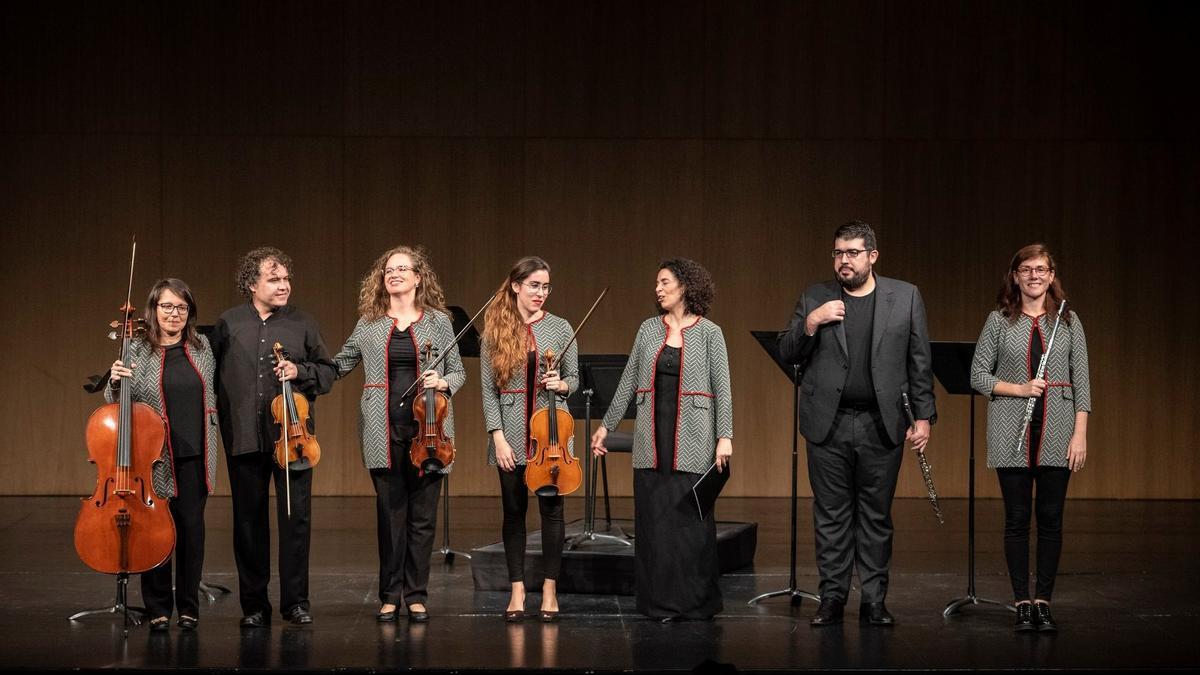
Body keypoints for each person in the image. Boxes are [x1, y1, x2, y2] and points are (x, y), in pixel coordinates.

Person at [779, 220, 936, 627]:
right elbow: (787, 352)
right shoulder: (816, 296)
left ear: (872, 256)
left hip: (880, 423)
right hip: (827, 424)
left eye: (851, 253)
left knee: (876, 515)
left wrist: (923, 416)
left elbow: (919, 361)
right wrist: (811, 322)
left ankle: (873, 600)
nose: (843, 261)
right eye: (838, 253)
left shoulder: (905, 297)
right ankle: (831, 598)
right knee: (830, 515)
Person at [591, 258, 733, 621]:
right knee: (655, 527)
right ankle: (659, 603)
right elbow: (627, 382)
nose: (658, 288)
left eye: (665, 282)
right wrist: (606, 426)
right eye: (656, 283)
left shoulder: (710, 333)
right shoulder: (648, 330)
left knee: (690, 527)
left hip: (695, 441)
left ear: (685, 286)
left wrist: (724, 437)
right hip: (652, 442)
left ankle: (695, 603)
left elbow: (723, 389)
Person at [332, 245, 465, 623]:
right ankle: (390, 594)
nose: (394, 274)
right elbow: (342, 362)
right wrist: (308, 373)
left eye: (403, 269)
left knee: (422, 518)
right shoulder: (369, 322)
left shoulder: (439, 321)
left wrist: (443, 380)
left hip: (430, 431)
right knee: (391, 517)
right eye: (389, 270)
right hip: (382, 428)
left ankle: (417, 594)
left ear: (418, 277)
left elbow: (458, 371)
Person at [210, 247, 337, 627]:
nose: (284, 286)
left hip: (293, 437)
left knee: (295, 521)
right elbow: (210, 375)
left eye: (286, 279)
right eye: (274, 279)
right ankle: (254, 606)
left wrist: (300, 371)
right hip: (245, 436)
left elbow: (328, 372)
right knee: (248, 522)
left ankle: (296, 603)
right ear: (252, 284)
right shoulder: (228, 324)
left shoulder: (302, 323)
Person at [969, 244, 1091, 633]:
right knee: (1018, 519)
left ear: (1052, 276)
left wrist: (1080, 434)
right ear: (1015, 276)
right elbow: (977, 375)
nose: (1034, 276)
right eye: (1026, 269)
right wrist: (1019, 389)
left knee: (1052, 519)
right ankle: (1022, 601)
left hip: (1057, 432)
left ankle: (1044, 602)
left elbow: (1082, 383)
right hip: (1011, 432)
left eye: (1041, 269)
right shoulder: (999, 320)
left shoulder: (1069, 322)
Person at [107, 278, 218, 632]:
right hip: (152, 458)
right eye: (167, 306)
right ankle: (157, 607)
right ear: (154, 309)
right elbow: (115, 406)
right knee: (155, 532)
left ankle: (188, 607)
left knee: (191, 531)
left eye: (182, 308)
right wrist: (114, 381)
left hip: (195, 454)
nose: (174, 314)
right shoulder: (136, 350)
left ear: (190, 313)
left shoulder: (201, 348)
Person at [480, 256, 578, 622]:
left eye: (546, 286)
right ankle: (518, 589)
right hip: (511, 436)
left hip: (550, 437)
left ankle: (550, 589)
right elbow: (489, 392)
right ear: (516, 286)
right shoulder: (495, 331)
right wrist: (498, 437)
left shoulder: (561, 327)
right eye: (535, 285)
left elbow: (576, 379)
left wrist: (563, 384)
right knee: (514, 513)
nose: (541, 293)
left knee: (553, 513)